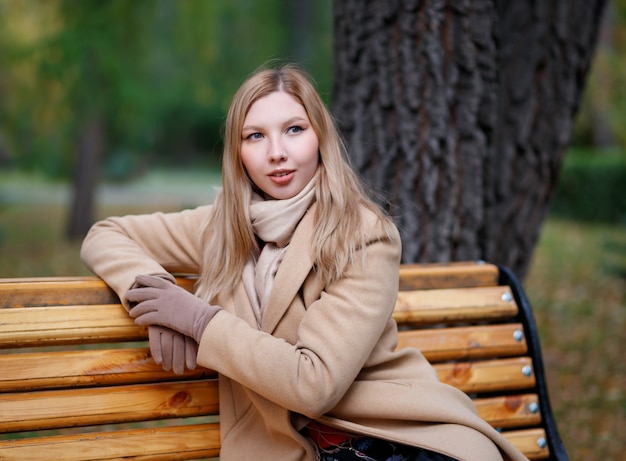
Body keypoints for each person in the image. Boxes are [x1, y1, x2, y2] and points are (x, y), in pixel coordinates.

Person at [81, 64, 528, 461]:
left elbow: (313, 385)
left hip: (394, 436)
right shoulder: (221, 229)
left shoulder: (363, 235)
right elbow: (105, 234)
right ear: (238, 153)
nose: (277, 152)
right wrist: (156, 298)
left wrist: (199, 321)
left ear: (320, 137)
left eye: (294, 129)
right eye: (255, 136)